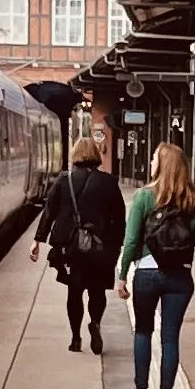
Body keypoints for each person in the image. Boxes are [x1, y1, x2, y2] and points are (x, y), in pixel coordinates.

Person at [116, 138, 195, 389]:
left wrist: (121, 275)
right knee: (170, 338)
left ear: (161, 165)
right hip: (180, 277)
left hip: (146, 274)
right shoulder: (192, 200)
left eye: (155, 157)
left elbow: (131, 241)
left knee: (143, 331)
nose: (152, 161)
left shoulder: (144, 196)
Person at [34, 138, 126, 351]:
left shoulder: (64, 181)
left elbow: (49, 212)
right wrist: (116, 246)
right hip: (100, 247)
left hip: (71, 247)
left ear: (74, 154)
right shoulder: (108, 182)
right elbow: (119, 218)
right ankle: (95, 324)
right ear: (96, 155)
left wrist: (38, 240)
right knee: (97, 291)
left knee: (74, 292)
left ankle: (76, 338)